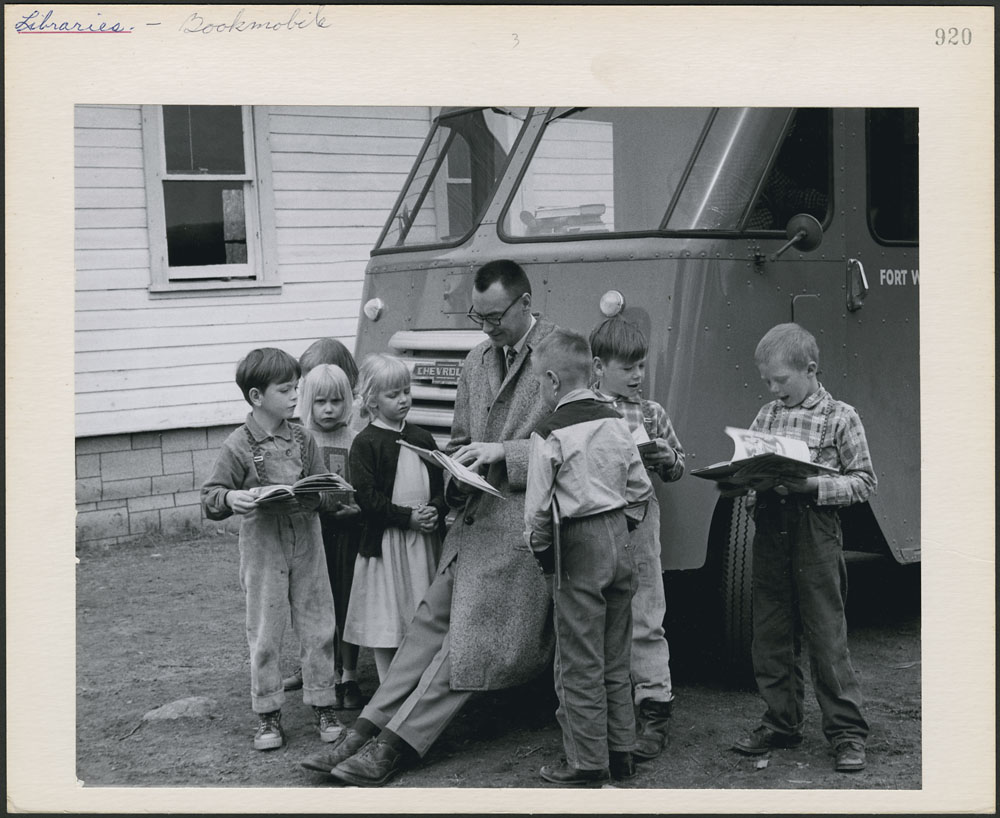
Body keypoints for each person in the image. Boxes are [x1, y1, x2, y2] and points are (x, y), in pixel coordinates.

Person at [300, 259, 557, 786]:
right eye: (477, 317)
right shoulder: (478, 360)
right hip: (472, 521)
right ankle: (362, 732)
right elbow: (463, 434)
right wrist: (456, 465)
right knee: (425, 629)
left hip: (521, 528)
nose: (486, 328)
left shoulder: (559, 354)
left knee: (468, 640)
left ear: (525, 302)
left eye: (495, 316)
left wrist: (504, 452)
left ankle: (393, 746)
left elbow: (572, 441)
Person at [727, 323, 876, 773]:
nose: (773, 390)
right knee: (770, 632)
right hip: (771, 529)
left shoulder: (840, 416)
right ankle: (781, 721)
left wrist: (813, 484)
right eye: (767, 382)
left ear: (810, 370)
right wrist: (746, 487)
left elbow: (865, 482)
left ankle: (847, 732)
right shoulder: (768, 415)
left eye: (780, 381)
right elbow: (747, 465)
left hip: (816, 528)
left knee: (826, 635)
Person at [523, 328, 653, 785]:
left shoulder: (549, 432)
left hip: (575, 543)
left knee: (578, 661)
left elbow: (538, 512)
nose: (540, 387)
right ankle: (622, 753)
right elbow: (640, 489)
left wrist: (544, 557)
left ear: (554, 381)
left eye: (540, 380)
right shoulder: (618, 421)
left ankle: (586, 763)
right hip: (619, 536)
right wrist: (622, 528)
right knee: (615, 656)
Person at [200, 348, 344, 751]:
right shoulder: (237, 444)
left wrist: (329, 492)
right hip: (264, 545)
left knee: (318, 622)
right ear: (256, 397)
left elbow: (321, 486)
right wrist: (232, 499)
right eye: (286, 389)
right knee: (265, 629)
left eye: (296, 387)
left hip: (308, 541)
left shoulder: (303, 437)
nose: (295, 395)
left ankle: (323, 703)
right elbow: (211, 495)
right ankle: (268, 713)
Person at [589, 316, 685, 761]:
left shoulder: (650, 412)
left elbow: (678, 465)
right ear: (598, 367)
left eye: (641, 367)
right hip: (595, 523)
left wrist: (668, 457)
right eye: (627, 368)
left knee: (647, 612)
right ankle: (609, 711)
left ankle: (655, 708)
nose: (637, 376)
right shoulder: (585, 409)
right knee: (601, 615)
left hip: (642, 520)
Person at [343, 354, 446, 683]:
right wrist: (407, 518)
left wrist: (435, 509)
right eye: (393, 394)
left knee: (422, 612)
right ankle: (389, 686)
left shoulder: (421, 437)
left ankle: (420, 683)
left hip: (423, 545)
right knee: (388, 615)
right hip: (388, 545)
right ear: (372, 401)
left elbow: (439, 484)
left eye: (406, 391)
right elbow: (368, 498)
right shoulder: (365, 443)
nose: (403, 400)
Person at [282, 339, 361, 695]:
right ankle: (313, 665)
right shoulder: (299, 440)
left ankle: (350, 674)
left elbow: (365, 485)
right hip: (311, 534)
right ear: (305, 402)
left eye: (336, 401)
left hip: (347, 535)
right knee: (310, 602)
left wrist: (359, 507)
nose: (329, 409)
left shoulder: (356, 439)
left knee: (346, 601)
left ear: (348, 400)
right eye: (320, 401)